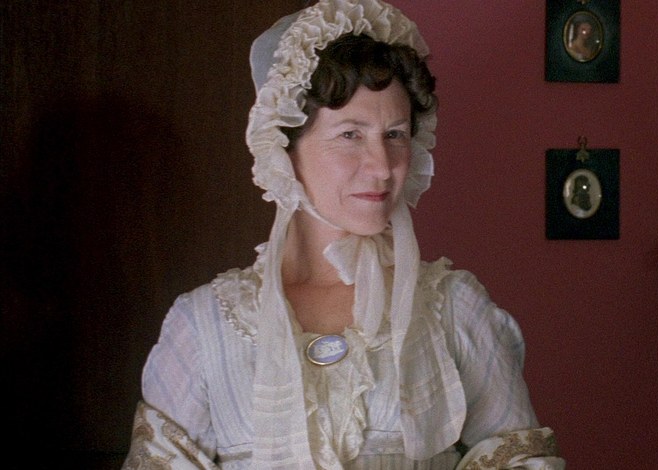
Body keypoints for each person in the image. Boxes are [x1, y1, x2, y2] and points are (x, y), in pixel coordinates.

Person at [122, 0, 566, 468]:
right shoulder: (205, 328)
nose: (382, 167)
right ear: (283, 148)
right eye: (351, 135)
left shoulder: (453, 311)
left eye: (395, 134)